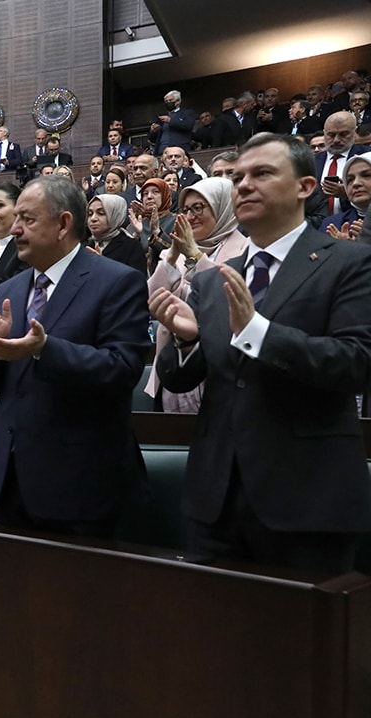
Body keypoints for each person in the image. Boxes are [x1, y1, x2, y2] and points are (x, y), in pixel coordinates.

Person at [151, 133, 371, 572]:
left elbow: (355, 363)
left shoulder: (349, 262)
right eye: (237, 177)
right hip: (215, 498)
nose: (244, 185)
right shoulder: (215, 279)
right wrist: (186, 342)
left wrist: (257, 331)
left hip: (307, 500)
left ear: (305, 187)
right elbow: (177, 379)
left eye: (262, 174)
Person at [0, 176, 150, 537]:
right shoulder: (9, 288)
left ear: (64, 223)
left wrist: (45, 349)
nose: (14, 229)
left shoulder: (117, 281)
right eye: (16, 218)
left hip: (81, 485)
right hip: (10, 481)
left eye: (28, 219)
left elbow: (123, 368)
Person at [145, 177, 249, 412]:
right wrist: (171, 257)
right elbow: (151, 301)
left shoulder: (246, 249)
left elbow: (229, 298)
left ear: (222, 207)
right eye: (185, 210)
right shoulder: (179, 252)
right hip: (175, 366)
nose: (191, 216)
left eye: (199, 208)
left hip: (219, 370)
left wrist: (196, 257)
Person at [85, 194, 146, 273]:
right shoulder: (85, 245)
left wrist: (102, 265)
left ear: (115, 215)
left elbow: (136, 282)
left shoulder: (130, 246)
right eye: (90, 214)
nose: (93, 219)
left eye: (101, 213)